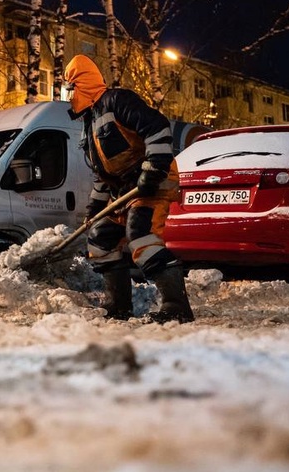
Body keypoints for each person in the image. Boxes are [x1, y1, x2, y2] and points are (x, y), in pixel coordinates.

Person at [63, 54, 194, 323]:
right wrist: (94, 210)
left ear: (81, 85)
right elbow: (103, 176)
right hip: (123, 192)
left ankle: (176, 306)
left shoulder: (117, 101)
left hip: (152, 182)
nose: (69, 97)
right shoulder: (89, 124)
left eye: (70, 90)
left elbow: (157, 128)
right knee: (101, 239)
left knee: (141, 234)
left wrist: (153, 169)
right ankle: (119, 306)